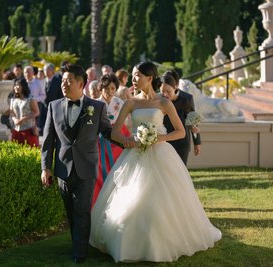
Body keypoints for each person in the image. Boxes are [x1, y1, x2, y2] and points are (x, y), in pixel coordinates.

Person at [90, 62, 221, 263]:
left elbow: (179, 131)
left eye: (137, 76)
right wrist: (128, 141)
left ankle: (163, 241)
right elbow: (115, 131)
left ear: (149, 78)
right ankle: (127, 241)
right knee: (132, 197)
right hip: (134, 155)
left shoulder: (164, 102)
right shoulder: (130, 103)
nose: (133, 79)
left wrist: (157, 138)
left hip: (161, 154)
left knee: (161, 199)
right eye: (132, 76)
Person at [40, 64, 115, 264]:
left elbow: (107, 131)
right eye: (63, 80)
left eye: (69, 80)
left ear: (81, 83)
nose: (64, 84)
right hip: (63, 168)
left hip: (87, 167)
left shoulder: (97, 107)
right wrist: (45, 168)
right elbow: (48, 141)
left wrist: (127, 141)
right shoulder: (53, 106)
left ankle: (79, 253)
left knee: (82, 210)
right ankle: (78, 243)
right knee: (71, 211)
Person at [92, 74, 130, 206]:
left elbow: (124, 123)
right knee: (99, 169)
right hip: (98, 139)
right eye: (106, 88)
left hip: (115, 139)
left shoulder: (119, 103)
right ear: (100, 88)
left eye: (113, 89)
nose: (109, 92)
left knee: (116, 168)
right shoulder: (94, 103)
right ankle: (98, 200)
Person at [160, 70, 201, 165]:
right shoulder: (158, 99)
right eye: (162, 91)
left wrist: (197, 143)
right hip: (164, 141)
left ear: (175, 87)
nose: (165, 94)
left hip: (182, 143)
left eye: (168, 91)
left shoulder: (187, 98)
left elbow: (193, 122)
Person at [10, 77, 40, 147]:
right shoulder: (13, 100)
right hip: (16, 130)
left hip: (28, 130)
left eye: (18, 85)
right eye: (15, 85)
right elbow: (11, 112)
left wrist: (24, 119)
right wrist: (15, 120)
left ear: (23, 86)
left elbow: (37, 112)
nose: (16, 87)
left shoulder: (30, 99)